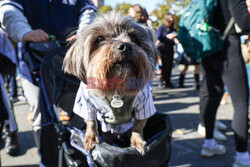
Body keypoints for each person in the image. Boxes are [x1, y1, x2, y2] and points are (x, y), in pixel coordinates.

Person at [0, 0, 97, 165]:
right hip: (34, 65)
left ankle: (78, 154)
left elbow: (89, 11)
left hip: (71, 63)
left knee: (80, 112)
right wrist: (25, 32)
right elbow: (8, 11)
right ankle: (47, 157)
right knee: (41, 113)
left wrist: (83, 33)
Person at [199, 0, 250, 166]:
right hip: (228, 48)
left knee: (212, 97)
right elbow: (244, 22)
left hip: (207, 48)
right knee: (241, 104)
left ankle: (208, 144)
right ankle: (242, 157)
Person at [156, 13, 177, 88]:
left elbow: (175, 36)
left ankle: (168, 81)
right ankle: (162, 80)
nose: (171, 20)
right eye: (170, 18)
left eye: (172, 18)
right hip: (163, 50)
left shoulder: (172, 28)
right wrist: (167, 37)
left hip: (170, 49)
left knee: (170, 65)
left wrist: (174, 37)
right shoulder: (162, 27)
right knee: (163, 65)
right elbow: (158, 37)